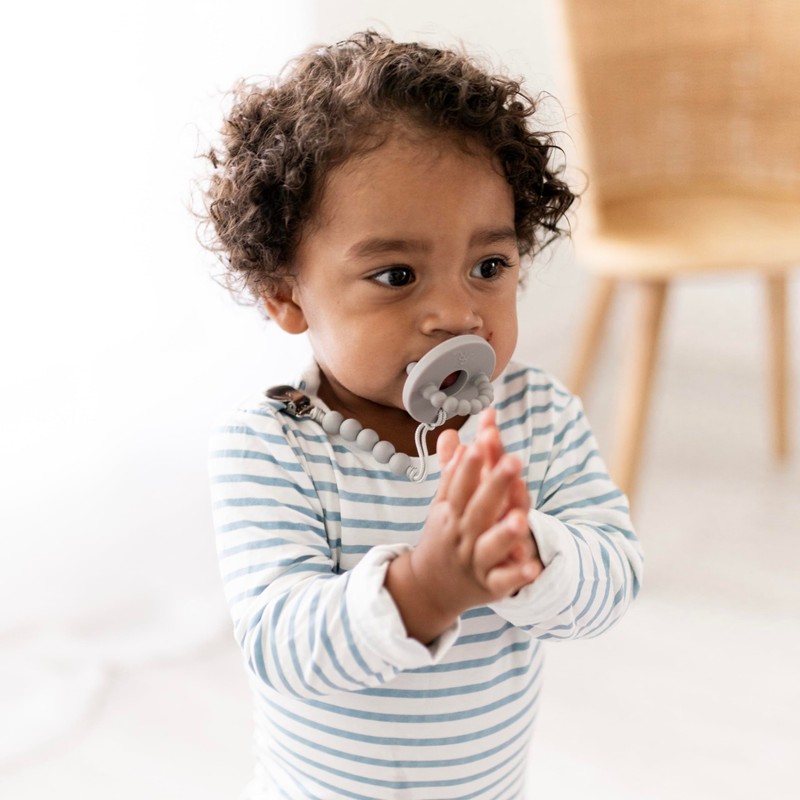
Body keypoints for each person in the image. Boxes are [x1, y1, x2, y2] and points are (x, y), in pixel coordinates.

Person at [201, 30, 643, 800]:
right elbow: (281, 646)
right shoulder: (271, 446)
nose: (456, 312)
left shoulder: (537, 415)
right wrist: (427, 588)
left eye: (488, 267)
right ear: (286, 293)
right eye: (397, 275)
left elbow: (614, 577)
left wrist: (529, 553)